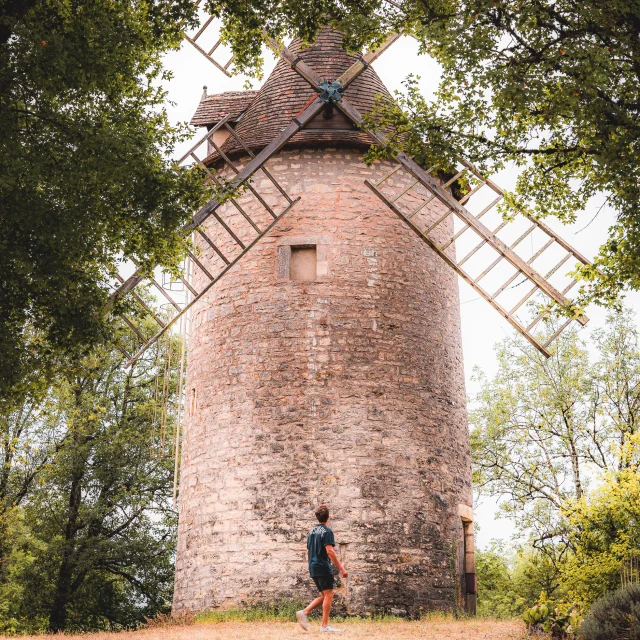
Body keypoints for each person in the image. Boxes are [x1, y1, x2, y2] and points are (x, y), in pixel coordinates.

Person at [296, 504, 348, 633]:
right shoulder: (327, 531)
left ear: (317, 517)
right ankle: (324, 626)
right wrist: (341, 567)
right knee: (329, 594)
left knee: (326, 595)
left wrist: (311, 565)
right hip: (322, 566)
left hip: (313, 566)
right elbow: (330, 551)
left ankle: (304, 612)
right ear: (328, 517)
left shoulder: (311, 531)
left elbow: (308, 551)